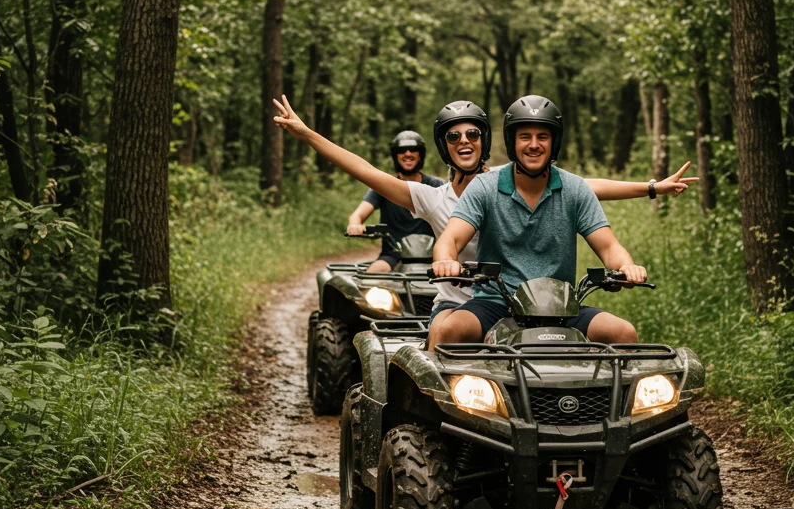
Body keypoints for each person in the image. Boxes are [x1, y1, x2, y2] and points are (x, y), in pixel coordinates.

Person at [271, 95, 697, 344]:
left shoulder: (542, 183)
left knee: (623, 333)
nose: (464, 141)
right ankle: (436, 427)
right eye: (454, 136)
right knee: (446, 332)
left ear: (487, 139)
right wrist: (308, 134)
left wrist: (650, 192)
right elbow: (377, 180)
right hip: (480, 300)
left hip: (553, 302)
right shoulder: (452, 193)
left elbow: (594, 205)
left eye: (472, 133)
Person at [431, 95, 649, 345]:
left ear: (554, 142)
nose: (534, 145)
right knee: (450, 331)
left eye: (542, 137)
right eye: (525, 136)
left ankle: (600, 386)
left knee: (624, 333)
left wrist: (626, 267)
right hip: (495, 304)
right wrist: (445, 261)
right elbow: (450, 238)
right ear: (512, 141)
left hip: (559, 308)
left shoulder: (575, 189)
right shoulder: (484, 187)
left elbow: (609, 247)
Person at [345, 130, 443, 273]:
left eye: (413, 150)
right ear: (395, 155)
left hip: (434, 256)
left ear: (420, 154)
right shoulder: (384, 186)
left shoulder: (436, 185)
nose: (408, 154)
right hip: (393, 255)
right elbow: (357, 214)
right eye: (402, 150)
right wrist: (355, 224)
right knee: (371, 277)